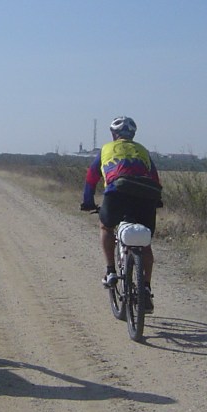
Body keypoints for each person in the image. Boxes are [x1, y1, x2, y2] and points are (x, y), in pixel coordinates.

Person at [80, 116, 162, 313]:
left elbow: (91, 178)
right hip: (146, 196)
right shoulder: (143, 151)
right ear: (133, 135)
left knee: (106, 227)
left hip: (117, 193)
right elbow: (155, 178)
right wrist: (156, 201)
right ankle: (146, 287)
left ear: (113, 134)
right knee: (145, 241)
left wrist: (88, 202)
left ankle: (110, 271)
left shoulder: (106, 150)